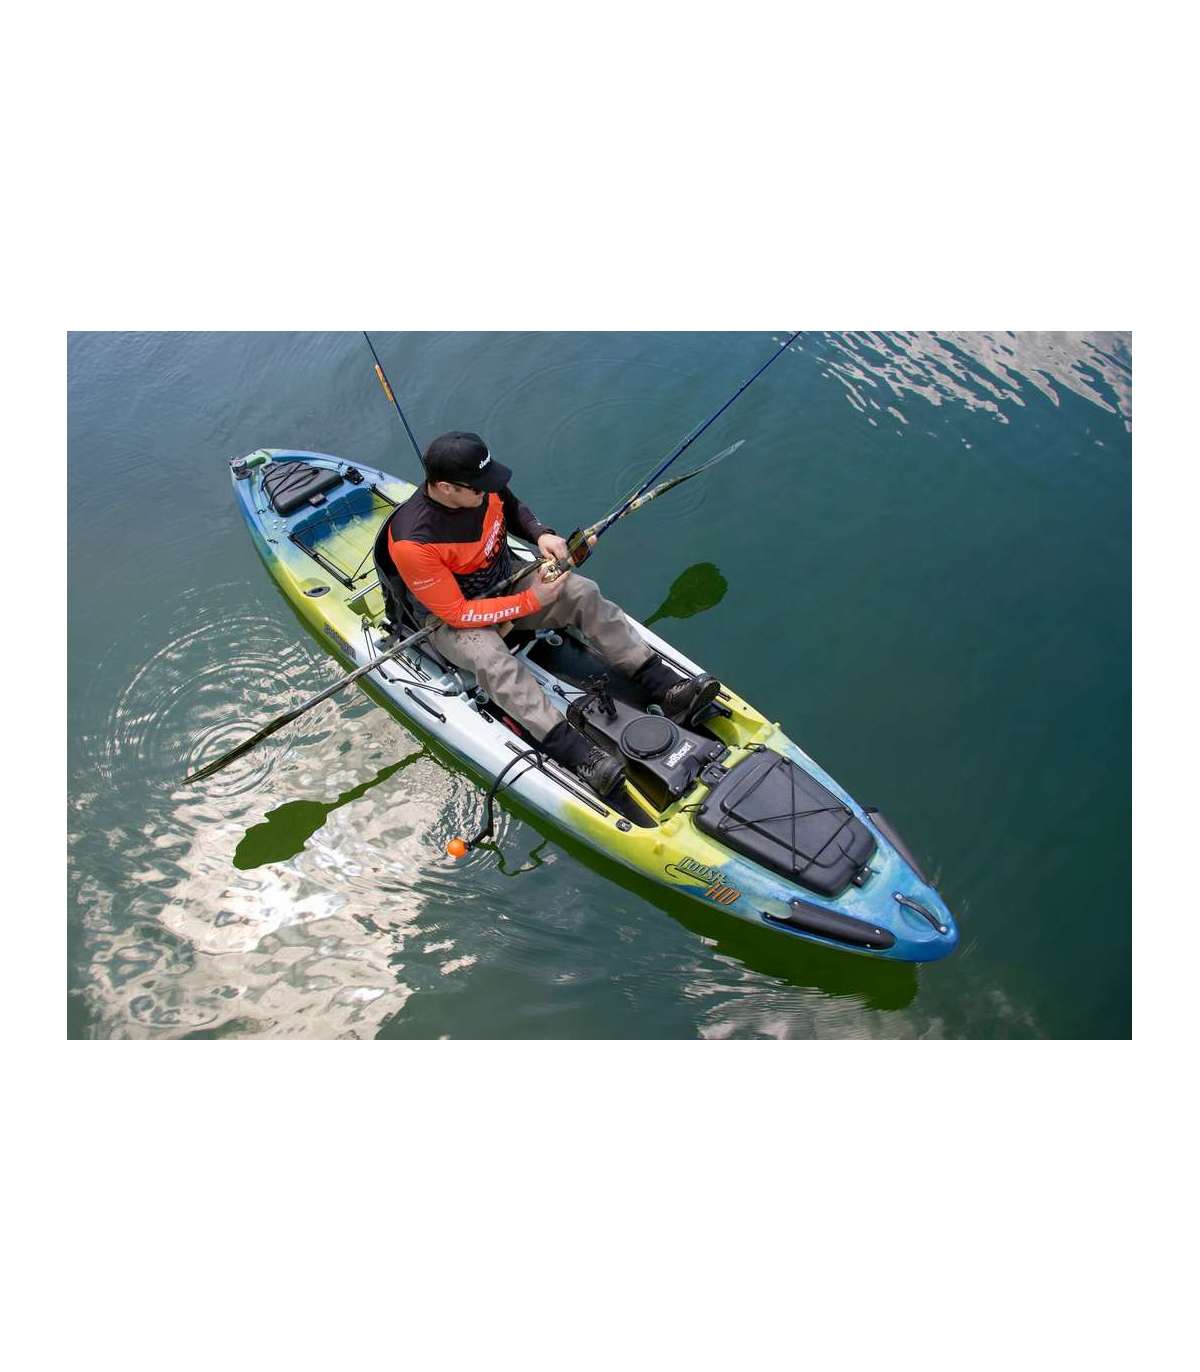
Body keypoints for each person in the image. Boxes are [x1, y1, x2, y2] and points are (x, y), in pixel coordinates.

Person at [377, 432, 720, 797]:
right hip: (453, 620)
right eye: (479, 488)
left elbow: (512, 508)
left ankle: (665, 686)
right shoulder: (413, 542)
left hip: (506, 579)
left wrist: (541, 535)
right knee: (492, 661)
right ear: (446, 488)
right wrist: (532, 600)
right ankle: (578, 754)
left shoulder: (483, 486)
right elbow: (458, 613)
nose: (488, 490)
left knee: (581, 591)